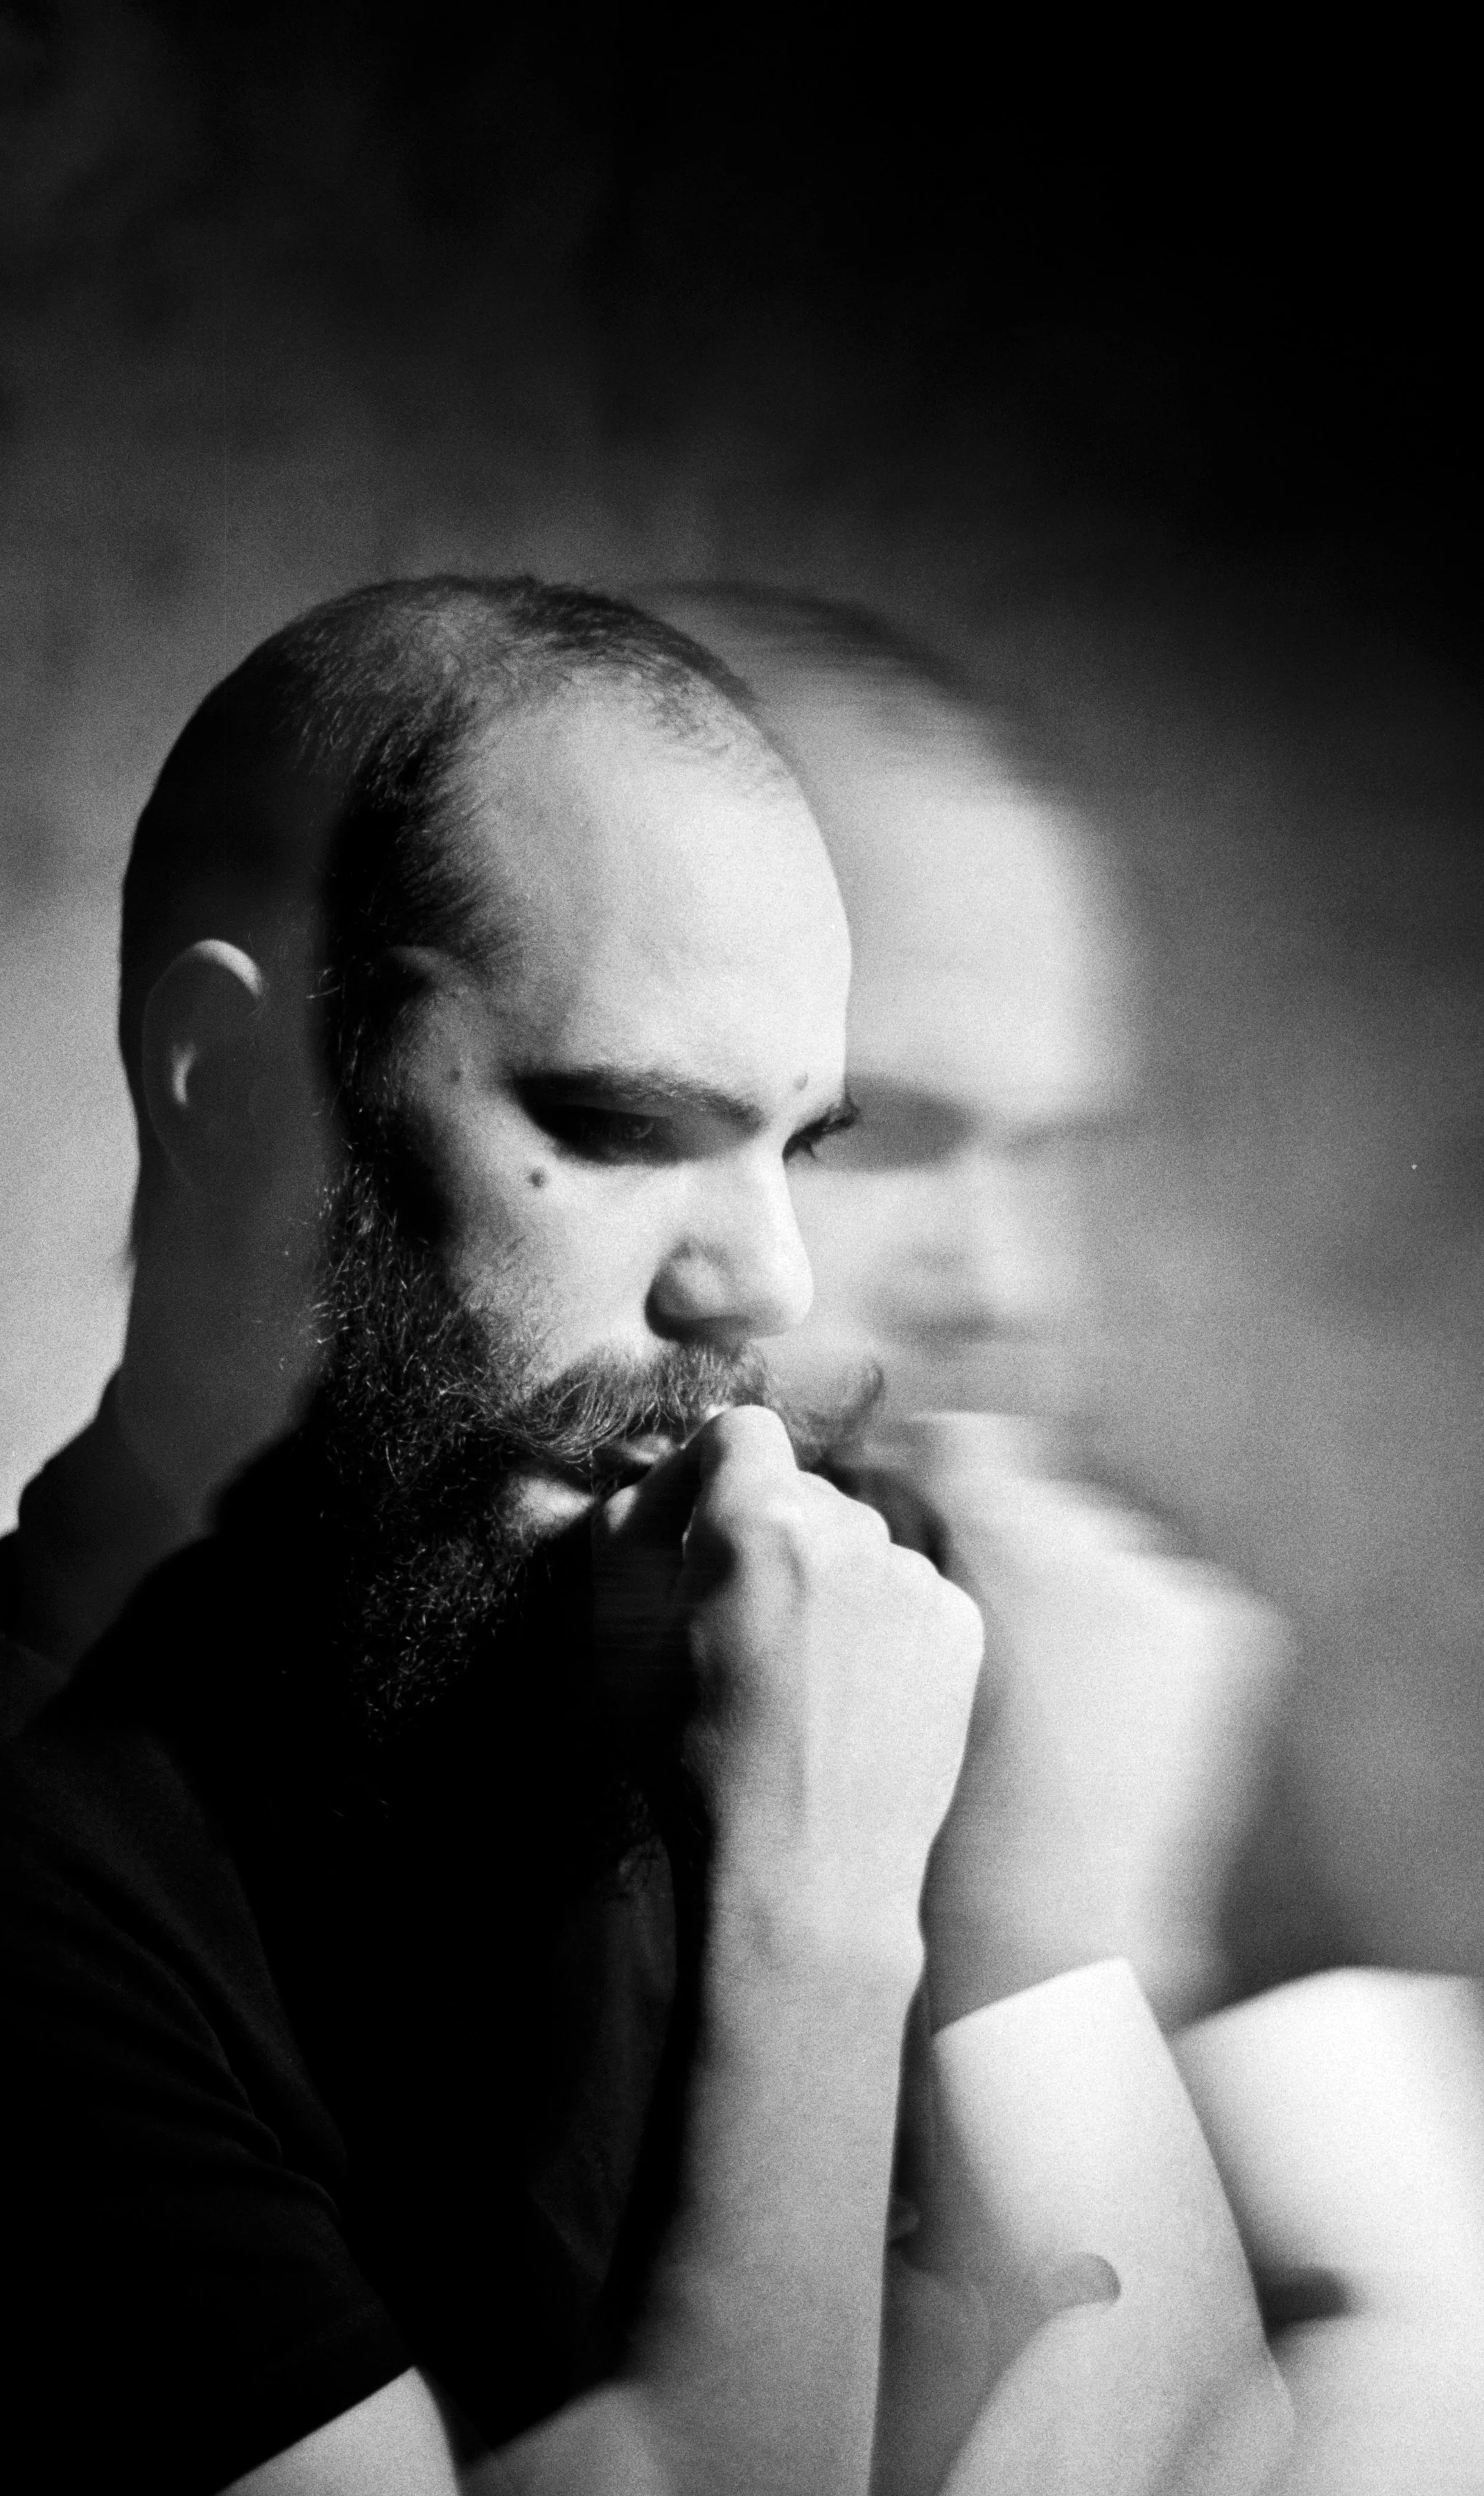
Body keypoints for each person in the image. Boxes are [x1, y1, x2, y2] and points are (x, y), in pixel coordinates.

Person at [0, 580, 1284, 2495]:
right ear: (223, 1082)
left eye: (801, 1145)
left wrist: (1050, 1926)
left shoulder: (765, 1602)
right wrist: (825, 1921)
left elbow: (1195, 2457)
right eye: (616, 1126)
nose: (761, 1286)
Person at [646, 584, 1484, 2493]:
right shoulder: (330, 1793)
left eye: (1050, 1154)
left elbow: (1440, 2344)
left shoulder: (1071, 1611)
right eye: (887, 1128)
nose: (1015, 1287)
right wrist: (1056, 1954)